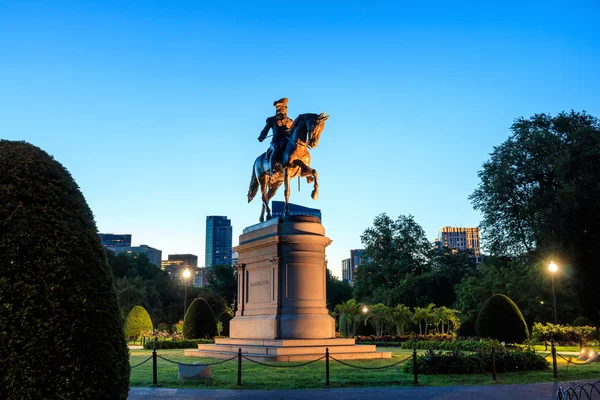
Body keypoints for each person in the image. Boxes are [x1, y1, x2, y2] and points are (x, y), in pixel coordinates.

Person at [258, 98, 293, 174]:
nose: (278, 109)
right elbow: (265, 130)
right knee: (276, 148)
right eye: (278, 107)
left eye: (281, 107)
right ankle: (272, 169)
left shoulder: (290, 121)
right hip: (276, 141)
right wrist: (262, 136)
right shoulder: (272, 120)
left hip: (286, 140)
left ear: (285, 108)